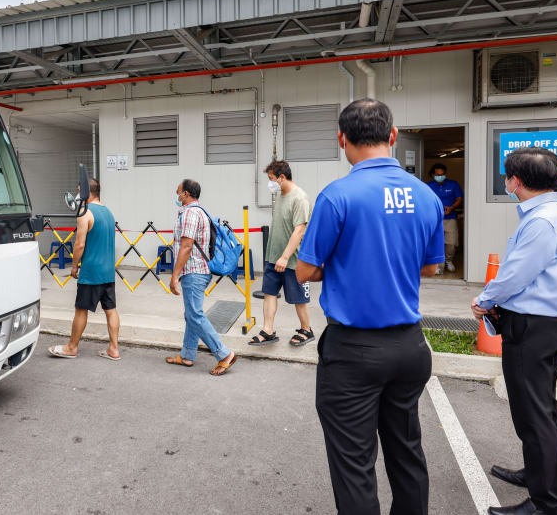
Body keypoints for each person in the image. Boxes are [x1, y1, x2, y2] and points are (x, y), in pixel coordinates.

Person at [295, 99, 444, 515]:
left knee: (354, 464)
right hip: (410, 348)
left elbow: (305, 271)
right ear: (393, 136)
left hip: (354, 351)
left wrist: (344, 266)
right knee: (407, 452)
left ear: (342, 139)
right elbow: (431, 268)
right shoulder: (426, 195)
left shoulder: (337, 195)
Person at [471, 147, 557, 515]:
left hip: (533, 328)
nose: (506, 181)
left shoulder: (542, 221)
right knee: (542, 411)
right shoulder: (556, 213)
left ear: (515, 181)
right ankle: (538, 475)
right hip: (547, 326)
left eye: (506, 175)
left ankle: (547, 504)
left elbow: (516, 274)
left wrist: (484, 300)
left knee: (534, 417)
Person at [165, 179, 237, 376]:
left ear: (186, 194)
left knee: (194, 315)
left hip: (194, 271)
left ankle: (224, 353)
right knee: (191, 314)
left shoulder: (189, 213)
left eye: (178, 192)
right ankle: (187, 355)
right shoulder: (201, 211)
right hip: (200, 270)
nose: (177, 196)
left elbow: (186, 246)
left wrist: (174, 275)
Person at [49, 178, 120, 361]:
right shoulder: (108, 212)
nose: (77, 194)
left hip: (91, 272)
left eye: (79, 190)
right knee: (110, 309)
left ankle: (71, 347)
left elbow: (79, 244)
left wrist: (74, 266)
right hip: (108, 272)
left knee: (81, 309)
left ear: (87, 192)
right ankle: (114, 349)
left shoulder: (85, 213)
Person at [248, 160, 313, 347]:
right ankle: (268, 331)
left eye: (271, 179)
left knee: (299, 298)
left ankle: (306, 329)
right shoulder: (281, 195)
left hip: (292, 259)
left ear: (282, 177)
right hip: (273, 256)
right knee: (269, 293)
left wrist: (285, 257)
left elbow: (299, 230)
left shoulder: (299, 198)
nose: (269, 183)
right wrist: (276, 256)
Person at [426, 163, 463, 274]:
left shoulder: (453, 184)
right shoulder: (429, 186)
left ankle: (449, 260)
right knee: (437, 242)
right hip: (435, 219)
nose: (440, 176)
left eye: (442, 174)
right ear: (433, 175)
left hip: (450, 217)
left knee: (451, 242)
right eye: (437, 174)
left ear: (445, 174)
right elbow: (426, 201)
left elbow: (459, 198)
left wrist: (451, 207)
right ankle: (439, 265)